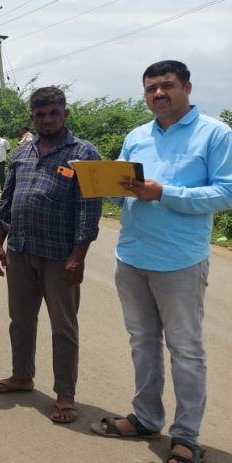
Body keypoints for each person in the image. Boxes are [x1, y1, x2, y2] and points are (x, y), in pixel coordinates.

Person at [89, 60, 232, 463]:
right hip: (132, 254)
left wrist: (163, 192)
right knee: (142, 343)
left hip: (180, 261)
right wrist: (102, 185)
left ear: (187, 87)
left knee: (186, 350)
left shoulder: (215, 134)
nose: (158, 94)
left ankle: (186, 435)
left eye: (166, 86)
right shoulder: (137, 136)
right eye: (151, 88)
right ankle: (147, 417)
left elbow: (226, 193)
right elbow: (124, 190)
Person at [0, 86, 102, 425]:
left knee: (63, 327)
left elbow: (89, 208)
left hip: (60, 256)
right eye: (40, 114)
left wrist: (78, 256)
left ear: (65, 113)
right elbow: (6, 201)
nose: (47, 119)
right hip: (20, 250)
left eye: (53, 113)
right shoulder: (22, 152)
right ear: (32, 118)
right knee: (20, 320)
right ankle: (22, 376)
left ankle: (65, 394)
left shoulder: (84, 153)